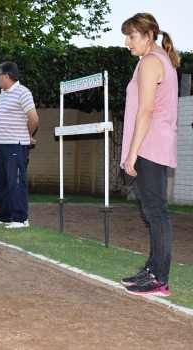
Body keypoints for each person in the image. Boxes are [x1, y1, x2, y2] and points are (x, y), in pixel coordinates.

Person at [119, 13, 180, 297]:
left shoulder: (151, 62)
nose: (127, 42)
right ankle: (152, 269)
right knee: (153, 211)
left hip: (150, 145)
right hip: (153, 143)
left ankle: (159, 278)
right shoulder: (158, 61)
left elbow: (145, 111)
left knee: (157, 213)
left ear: (149, 35)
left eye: (131, 36)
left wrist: (132, 153)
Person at [0, 61, 39, 229]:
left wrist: (27, 135)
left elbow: (34, 119)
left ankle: (20, 219)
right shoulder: (3, 93)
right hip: (1, 145)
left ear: (7, 76)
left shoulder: (23, 92)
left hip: (16, 145)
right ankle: (4, 216)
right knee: (1, 182)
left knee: (15, 181)